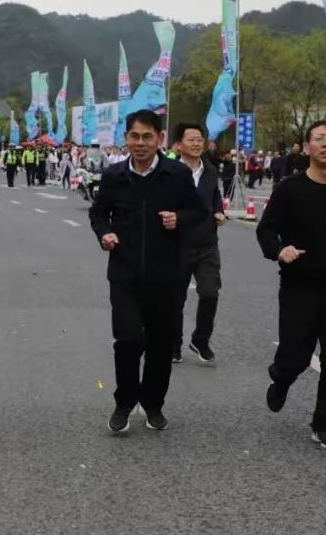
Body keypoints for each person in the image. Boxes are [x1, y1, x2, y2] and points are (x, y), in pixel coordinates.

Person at [256, 119, 326, 451]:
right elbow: (266, 230)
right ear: (307, 148)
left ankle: (324, 425)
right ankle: (281, 378)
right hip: (298, 286)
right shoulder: (289, 188)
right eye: (319, 138)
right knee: (295, 356)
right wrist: (279, 250)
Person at [89, 109, 203, 434]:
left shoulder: (176, 174)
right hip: (124, 274)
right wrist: (104, 234)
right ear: (126, 139)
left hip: (166, 275)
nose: (140, 143)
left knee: (160, 345)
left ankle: (153, 404)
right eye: (134, 136)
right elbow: (98, 214)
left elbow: (198, 211)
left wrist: (179, 219)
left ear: (160, 139)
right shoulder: (113, 176)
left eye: (147, 137)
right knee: (127, 341)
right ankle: (124, 402)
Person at [170, 124, 226, 365]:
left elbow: (215, 196)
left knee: (210, 292)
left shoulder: (210, 170)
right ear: (178, 145)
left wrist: (219, 211)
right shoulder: (169, 171)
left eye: (199, 139)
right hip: (176, 244)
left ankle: (200, 340)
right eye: (190, 139)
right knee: (175, 299)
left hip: (207, 243)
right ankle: (173, 345)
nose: (196, 143)